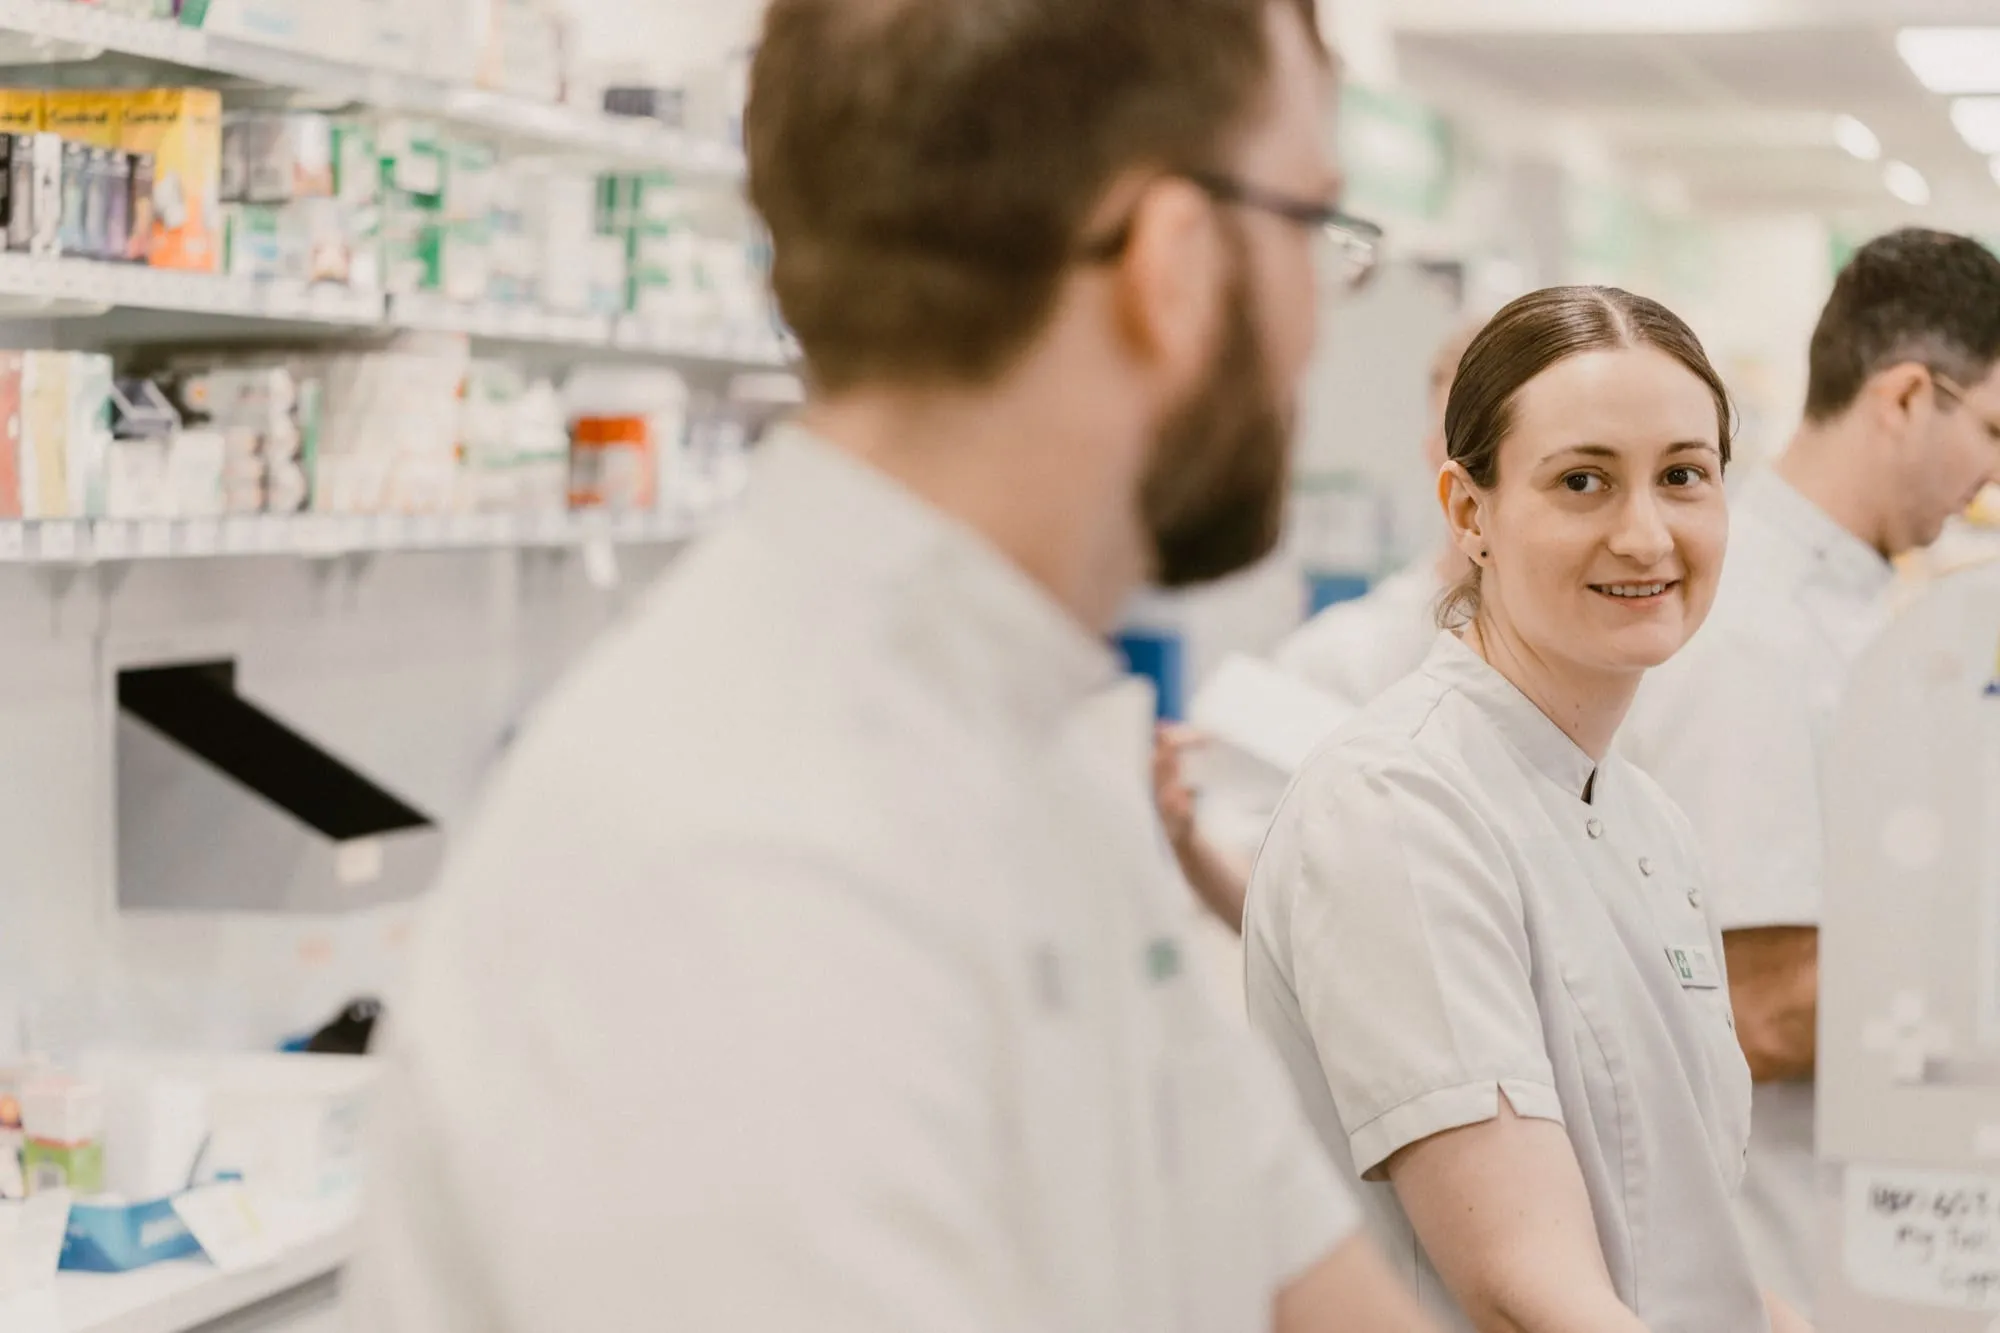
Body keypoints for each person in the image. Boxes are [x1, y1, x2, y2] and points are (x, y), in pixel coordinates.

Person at [349, 1, 1436, 1330]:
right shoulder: (746, 848)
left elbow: (1300, 1279)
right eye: (1314, 232)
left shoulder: (1030, 743)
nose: (1322, 320)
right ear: (1178, 264)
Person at [1243, 285, 1811, 1331]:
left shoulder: (1643, 820)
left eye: (1682, 476)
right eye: (1581, 482)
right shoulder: (1398, 807)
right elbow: (1522, 1287)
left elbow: (1684, 1239)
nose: (1644, 534)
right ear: (1469, 513)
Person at [1622, 228, 2000, 1317]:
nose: (1991, 471)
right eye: (1986, 428)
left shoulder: (1870, 608)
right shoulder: (1753, 634)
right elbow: (1760, 1011)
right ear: (1899, 399)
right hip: (1782, 1250)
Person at [1159, 318, 1482, 930]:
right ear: (1430, 453)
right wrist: (1185, 838)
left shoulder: (1623, 662)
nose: (1484, 470)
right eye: (1462, 436)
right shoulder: (1339, 659)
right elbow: (1263, 902)